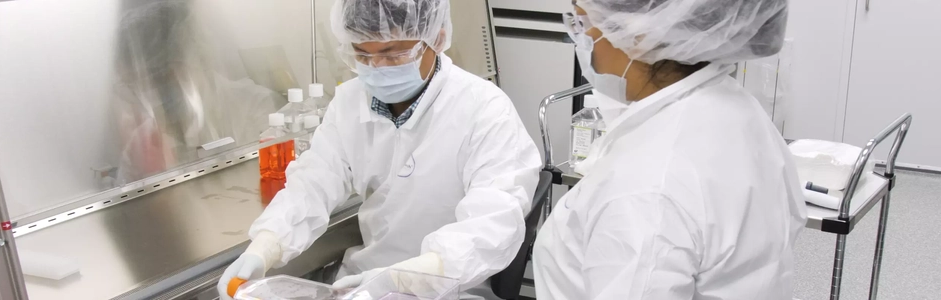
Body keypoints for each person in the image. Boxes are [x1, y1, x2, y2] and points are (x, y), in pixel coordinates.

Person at [217, 0, 541, 299]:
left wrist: (404, 278)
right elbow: (313, 183)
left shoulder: (483, 109)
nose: (378, 67)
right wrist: (265, 246)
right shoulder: (349, 101)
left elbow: (492, 224)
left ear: (437, 39)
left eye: (393, 54)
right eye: (363, 54)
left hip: (448, 288)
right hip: (359, 285)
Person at [532, 0, 804, 299]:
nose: (580, 42)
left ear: (638, 34)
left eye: (582, 25)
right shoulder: (738, 109)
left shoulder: (647, 189)